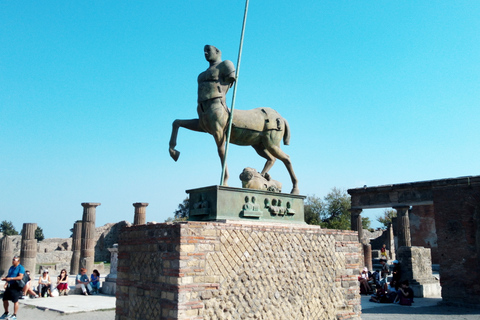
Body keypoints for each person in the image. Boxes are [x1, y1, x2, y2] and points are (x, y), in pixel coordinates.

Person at [1, 256, 25, 320]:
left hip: (16, 286)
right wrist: (5, 280)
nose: (13, 261)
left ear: (18, 261)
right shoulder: (11, 267)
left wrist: (11, 278)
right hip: (10, 285)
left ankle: (14, 315)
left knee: (15, 300)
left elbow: (20, 277)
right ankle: (6, 313)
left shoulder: (21, 268)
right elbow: (9, 276)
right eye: (13, 259)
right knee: (4, 299)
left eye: (14, 260)